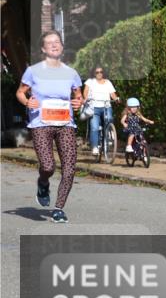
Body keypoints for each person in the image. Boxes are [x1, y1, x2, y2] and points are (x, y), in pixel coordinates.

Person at [14, 31, 83, 223]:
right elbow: (20, 92)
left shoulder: (71, 73)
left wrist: (79, 102)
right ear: (43, 49)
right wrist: (27, 102)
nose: (54, 45)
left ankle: (59, 208)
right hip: (41, 124)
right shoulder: (33, 71)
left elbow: (78, 95)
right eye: (49, 43)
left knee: (69, 169)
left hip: (65, 124)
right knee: (48, 166)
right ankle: (43, 183)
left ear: (61, 47)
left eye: (57, 42)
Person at [82, 66, 119, 155]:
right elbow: (86, 91)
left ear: (103, 73)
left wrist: (116, 98)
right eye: (97, 72)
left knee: (109, 119)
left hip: (106, 106)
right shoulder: (90, 81)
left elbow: (112, 94)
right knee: (94, 127)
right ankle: (95, 147)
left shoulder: (108, 82)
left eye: (101, 72)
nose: (99, 74)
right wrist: (85, 98)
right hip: (94, 107)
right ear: (94, 73)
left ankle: (109, 135)